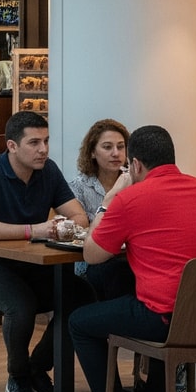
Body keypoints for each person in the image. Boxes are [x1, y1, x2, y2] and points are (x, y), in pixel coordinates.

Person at [71, 124, 196, 392]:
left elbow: (92, 254)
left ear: (137, 165)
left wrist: (112, 197)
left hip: (166, 319)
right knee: (153, 294)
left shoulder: (132, 197)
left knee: (81, 323)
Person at [0, 111, 92, 392]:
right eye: (34, 142)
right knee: (22, 305)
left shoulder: (49, 171)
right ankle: (17, 376)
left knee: (82, 296)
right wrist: (35, 230)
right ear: (12, 146)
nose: (43, 149)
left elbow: (79, 215)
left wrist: (63, 226)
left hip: (29, 265)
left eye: (45, 141)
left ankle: (37, 367)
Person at [69, 118, 135, 300]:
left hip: (129, 257)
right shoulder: (78, 187)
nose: (116, 153)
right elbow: (77, 234)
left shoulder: (135, 183)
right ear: (92, 152)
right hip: (90, 262)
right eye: (107, 147)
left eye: (121, 147)